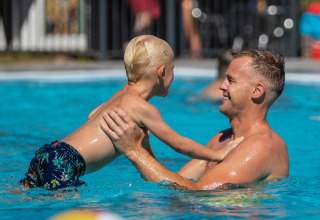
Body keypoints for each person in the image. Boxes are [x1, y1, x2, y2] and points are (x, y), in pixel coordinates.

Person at [20, 35, 238, 190]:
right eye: (173, 69)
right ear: (162, 72)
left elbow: (92, 115)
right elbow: (179, 143)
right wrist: (218, 154)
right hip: (67, 163)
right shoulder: (142, 107)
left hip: (51, 152)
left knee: (25, 196)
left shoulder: (121, 95)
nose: (173, 75)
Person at [100, 48, 289, 190]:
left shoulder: (262, 146)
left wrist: (134, 152)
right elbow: (174, 181)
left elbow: (199, 192)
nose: (221, 86)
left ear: (257, 91)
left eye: (230, 81)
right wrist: (142, 145)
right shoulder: (222, 139)